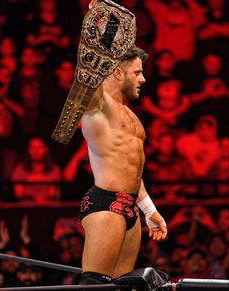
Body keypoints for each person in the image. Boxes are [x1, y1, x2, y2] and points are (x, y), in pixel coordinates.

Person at [72, 45, 168, 285]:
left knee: (121, 287)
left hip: (131, 207)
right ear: (117, 72)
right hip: (105, 204)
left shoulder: (130, 115)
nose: (143, 78)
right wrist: (103, 25)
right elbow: (85, 78)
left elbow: (133, 169)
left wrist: (148, 209)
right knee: (96, 286)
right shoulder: (98, 105)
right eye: (137, 72)